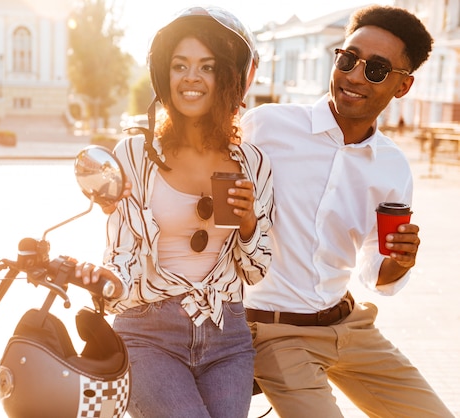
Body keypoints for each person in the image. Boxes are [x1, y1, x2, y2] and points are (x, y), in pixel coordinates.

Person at [240, 5, 454, 417]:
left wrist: (401, 261)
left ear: (402, 87)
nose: (355, 75)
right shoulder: (266, 126)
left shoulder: (392, 165)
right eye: (347, 59)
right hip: (273, 331)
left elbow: (378, 272)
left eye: (376, 69)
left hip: (351, 326)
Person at [77, 6, 274, 418]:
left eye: (207, 66)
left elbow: (255, 271)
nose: (191, 77)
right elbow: (123, 251)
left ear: (228, 78)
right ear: (164, 76)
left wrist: (249, 223)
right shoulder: (135, 154)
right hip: (149, 333)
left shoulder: (254, 163)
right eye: (180, 65)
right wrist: (109, 281)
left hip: (227, 336)